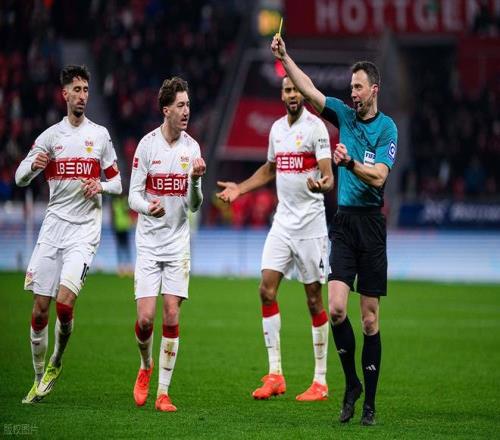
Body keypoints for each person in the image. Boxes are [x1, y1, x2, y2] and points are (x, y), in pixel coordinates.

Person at [271, 36, 398, 426]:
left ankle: (370, 403)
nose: (352, 93)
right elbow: (309, 89)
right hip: (343, 223)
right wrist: (285, 58)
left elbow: (380, 177)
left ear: (374, 90)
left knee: (370, 320)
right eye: (351, 87)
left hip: (371, 226)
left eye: (358, 87)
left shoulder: (387, 129)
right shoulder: (343, 115)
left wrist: (350, 163)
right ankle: (351, 385)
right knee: (338, 310)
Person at [217, 76, 334, 401]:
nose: (292, 94)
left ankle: (320, 380)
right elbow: (270, 169)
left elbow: (327, 173)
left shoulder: (316, 128)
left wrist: (322, 184)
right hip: (282, 223)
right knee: (266, 290)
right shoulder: (277, 130)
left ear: (303, 94)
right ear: (282, 95)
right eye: (287, 90)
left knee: (314, 300)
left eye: (296, 89)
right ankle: (276, 374)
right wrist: (240, 188)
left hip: (311, 226)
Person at [15, 64, 122, 403]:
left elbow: (118, 183)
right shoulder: (50, 137)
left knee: (64, 303)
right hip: (53, 229)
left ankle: (57, 361)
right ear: (64, 94)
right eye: (76, 89)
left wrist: (100, 186)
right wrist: (33, 167)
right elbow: (19, 177)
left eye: (86, 90)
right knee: (39, 310)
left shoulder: (100, 136)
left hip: (84, 232)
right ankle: (38, 378)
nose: (82, 96)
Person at [128, 77, 206, 412]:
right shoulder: (147, 146)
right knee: (146, 319)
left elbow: (194, 205)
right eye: (181, 105)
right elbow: (133, 196)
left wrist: (196, 181)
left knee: (171, 312)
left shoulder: (192, 149)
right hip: (149, 243)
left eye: (188, 105)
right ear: (166, 110)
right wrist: (148, 207)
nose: (186, 111)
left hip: (177, 244)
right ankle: (146, 365)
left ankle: (163, 392)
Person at [111, 193, 134, 276]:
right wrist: (112, 226)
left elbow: (129, 211)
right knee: (120, 248)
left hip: (125, 226)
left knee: (126, 248)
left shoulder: (124, 202)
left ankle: (129, 267)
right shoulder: (115, 202)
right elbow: (113, 215)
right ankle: (121, 267)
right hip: (118, 227)